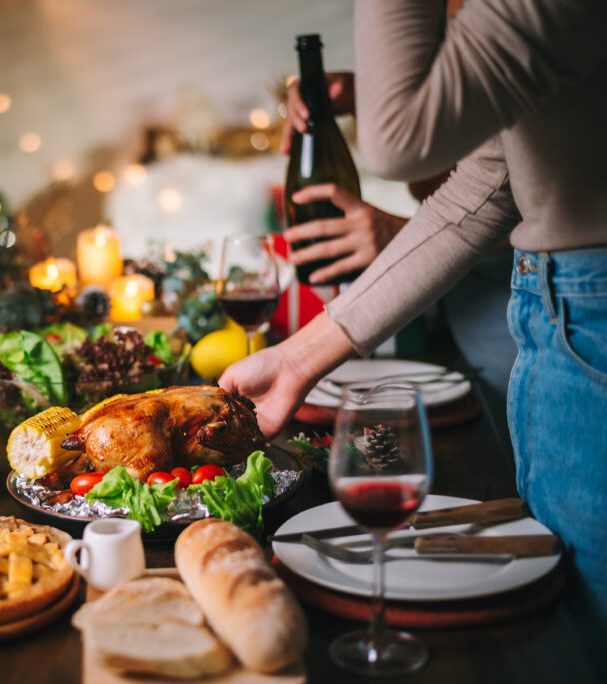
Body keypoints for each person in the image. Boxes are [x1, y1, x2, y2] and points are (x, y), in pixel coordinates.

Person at [222, 0, 607, 633]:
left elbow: (396, 140)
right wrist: (295, 360)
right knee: (565, 617)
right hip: (556, 311)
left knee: (582, 628)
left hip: (587, 311)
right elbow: (491, 181)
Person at [279, 68, 516, 461]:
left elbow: (516, 193)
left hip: (519, 286)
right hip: (457, 287)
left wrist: (399, 233)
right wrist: (371, 93)